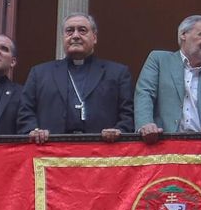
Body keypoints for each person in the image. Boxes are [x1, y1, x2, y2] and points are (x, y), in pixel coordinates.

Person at [17, 14, 134, 144]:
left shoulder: (117, 73)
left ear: (94, 37)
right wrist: (34, 131)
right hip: (51, 153)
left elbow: (128, 115)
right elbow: (25, 112)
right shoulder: (39, 73)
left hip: (100, 153)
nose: (75, 36)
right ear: (63, 37)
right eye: (69, 31)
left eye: (82, 30)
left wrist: (119, 131)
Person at [136, 14, 201, 143]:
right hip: (162, 144)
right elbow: (145, 93)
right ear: (183, 35)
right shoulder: (159, 60)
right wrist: (146, 124)